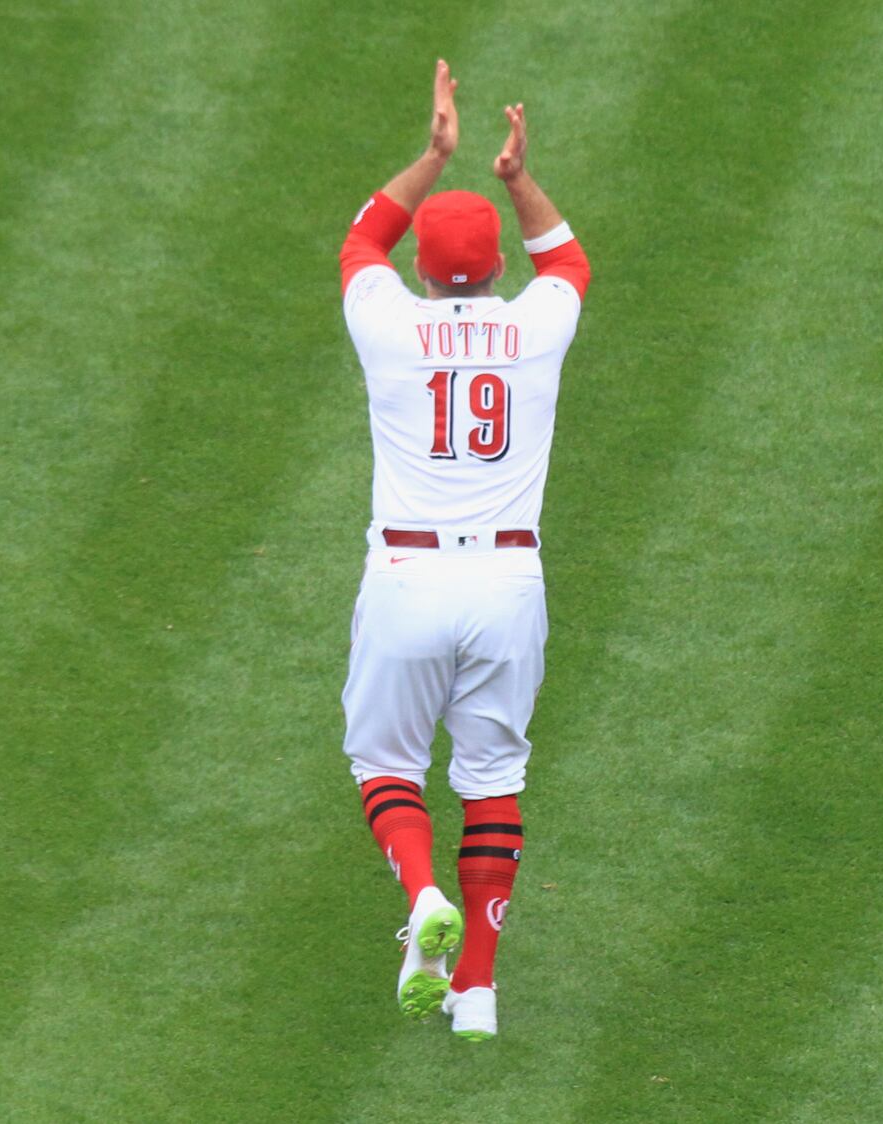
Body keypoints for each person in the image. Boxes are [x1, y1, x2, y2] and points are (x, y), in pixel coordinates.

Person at [337, 58, 591, 1042]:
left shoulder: (387, 324)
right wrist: (515, 174)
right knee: (491, 772)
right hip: (505, 579)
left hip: (405, 574)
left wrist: (432, 155)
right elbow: (567, 262)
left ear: (425, 272)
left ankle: (423, 891)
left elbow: (363, 238)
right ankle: (475, 993)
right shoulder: (533, 328)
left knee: (382, 758)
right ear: (492, 267)